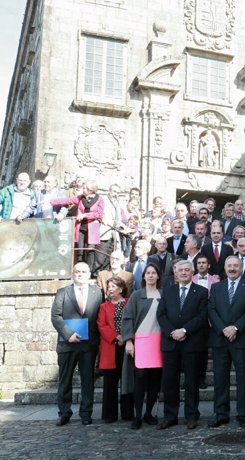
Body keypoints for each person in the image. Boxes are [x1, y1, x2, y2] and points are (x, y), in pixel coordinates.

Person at [156, 260, 208, 430]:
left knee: (192, 381)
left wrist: (184, 331)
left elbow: (202, 317)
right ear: (175, 273)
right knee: (170, 381)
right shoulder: (168, 291)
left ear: (192, 272)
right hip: (171, 342)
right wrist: (173, 332)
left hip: (191, 343)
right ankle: (170, 416)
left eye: (187, 270)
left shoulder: (201, 291)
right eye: (180, 270)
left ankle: (191, 415)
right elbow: (161, 315)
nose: (184, 273)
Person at [51, 262, 103, 426]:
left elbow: (101, 317)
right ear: (73, 274)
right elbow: (56, 317)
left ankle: (86, 413)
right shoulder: (63, 292)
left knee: (87, 381)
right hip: (68, 344)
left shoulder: (98, 292)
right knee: (65, 381)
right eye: (77, 271)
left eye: (83, 271)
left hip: (89, 345)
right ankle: (64, 413)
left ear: (89, 274)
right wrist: (68, 334)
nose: (80, 274)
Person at [207, 256, 245, 428]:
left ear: (241, 267)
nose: (233, 268)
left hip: (242, 339)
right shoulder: (216, 287)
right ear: (225, 268)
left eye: (236, 265)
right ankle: (221, 414)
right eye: (230, 266)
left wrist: (235, 328)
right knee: (220, 378)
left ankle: (243, 413)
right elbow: (211, 309)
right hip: (220, 339)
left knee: (243, 378)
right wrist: (223, 329)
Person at [122, 263, 163, 429]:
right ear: (144, 276)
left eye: (154, 273)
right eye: (148, 273)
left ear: (158, 276)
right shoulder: (137, 295)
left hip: (159, 342)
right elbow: (128, 317)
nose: (151, 275)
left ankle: (149, 413)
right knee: (139, 379)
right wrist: (129, 340)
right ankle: (137, 414)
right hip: (141, 341)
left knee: (155, 380)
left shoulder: (164, 295)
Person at [97, 277, 134, 423]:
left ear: (120, 288)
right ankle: (109, 415)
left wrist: (126, 337)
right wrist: (116, 337)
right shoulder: (103, 307)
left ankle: (128, 413)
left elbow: (133, 320)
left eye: (113, 286)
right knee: (110, 382)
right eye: (109, 287)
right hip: (110, 347)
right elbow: (102, 325)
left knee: (127, 381)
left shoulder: (129, 303)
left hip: (127, 346)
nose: (110, 289)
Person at [52, 179, 104, 272]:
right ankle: (78, 270)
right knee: (79, 250)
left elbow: (98, 214)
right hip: (80, 228)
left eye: (85, 188)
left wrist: (84, 215)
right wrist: (51, 201)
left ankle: (88, 271)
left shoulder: (100, 199)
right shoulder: (80, 198)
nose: (83, 190)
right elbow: (67, 200)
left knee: (90, 250)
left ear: (91, 190)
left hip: (92, 229)